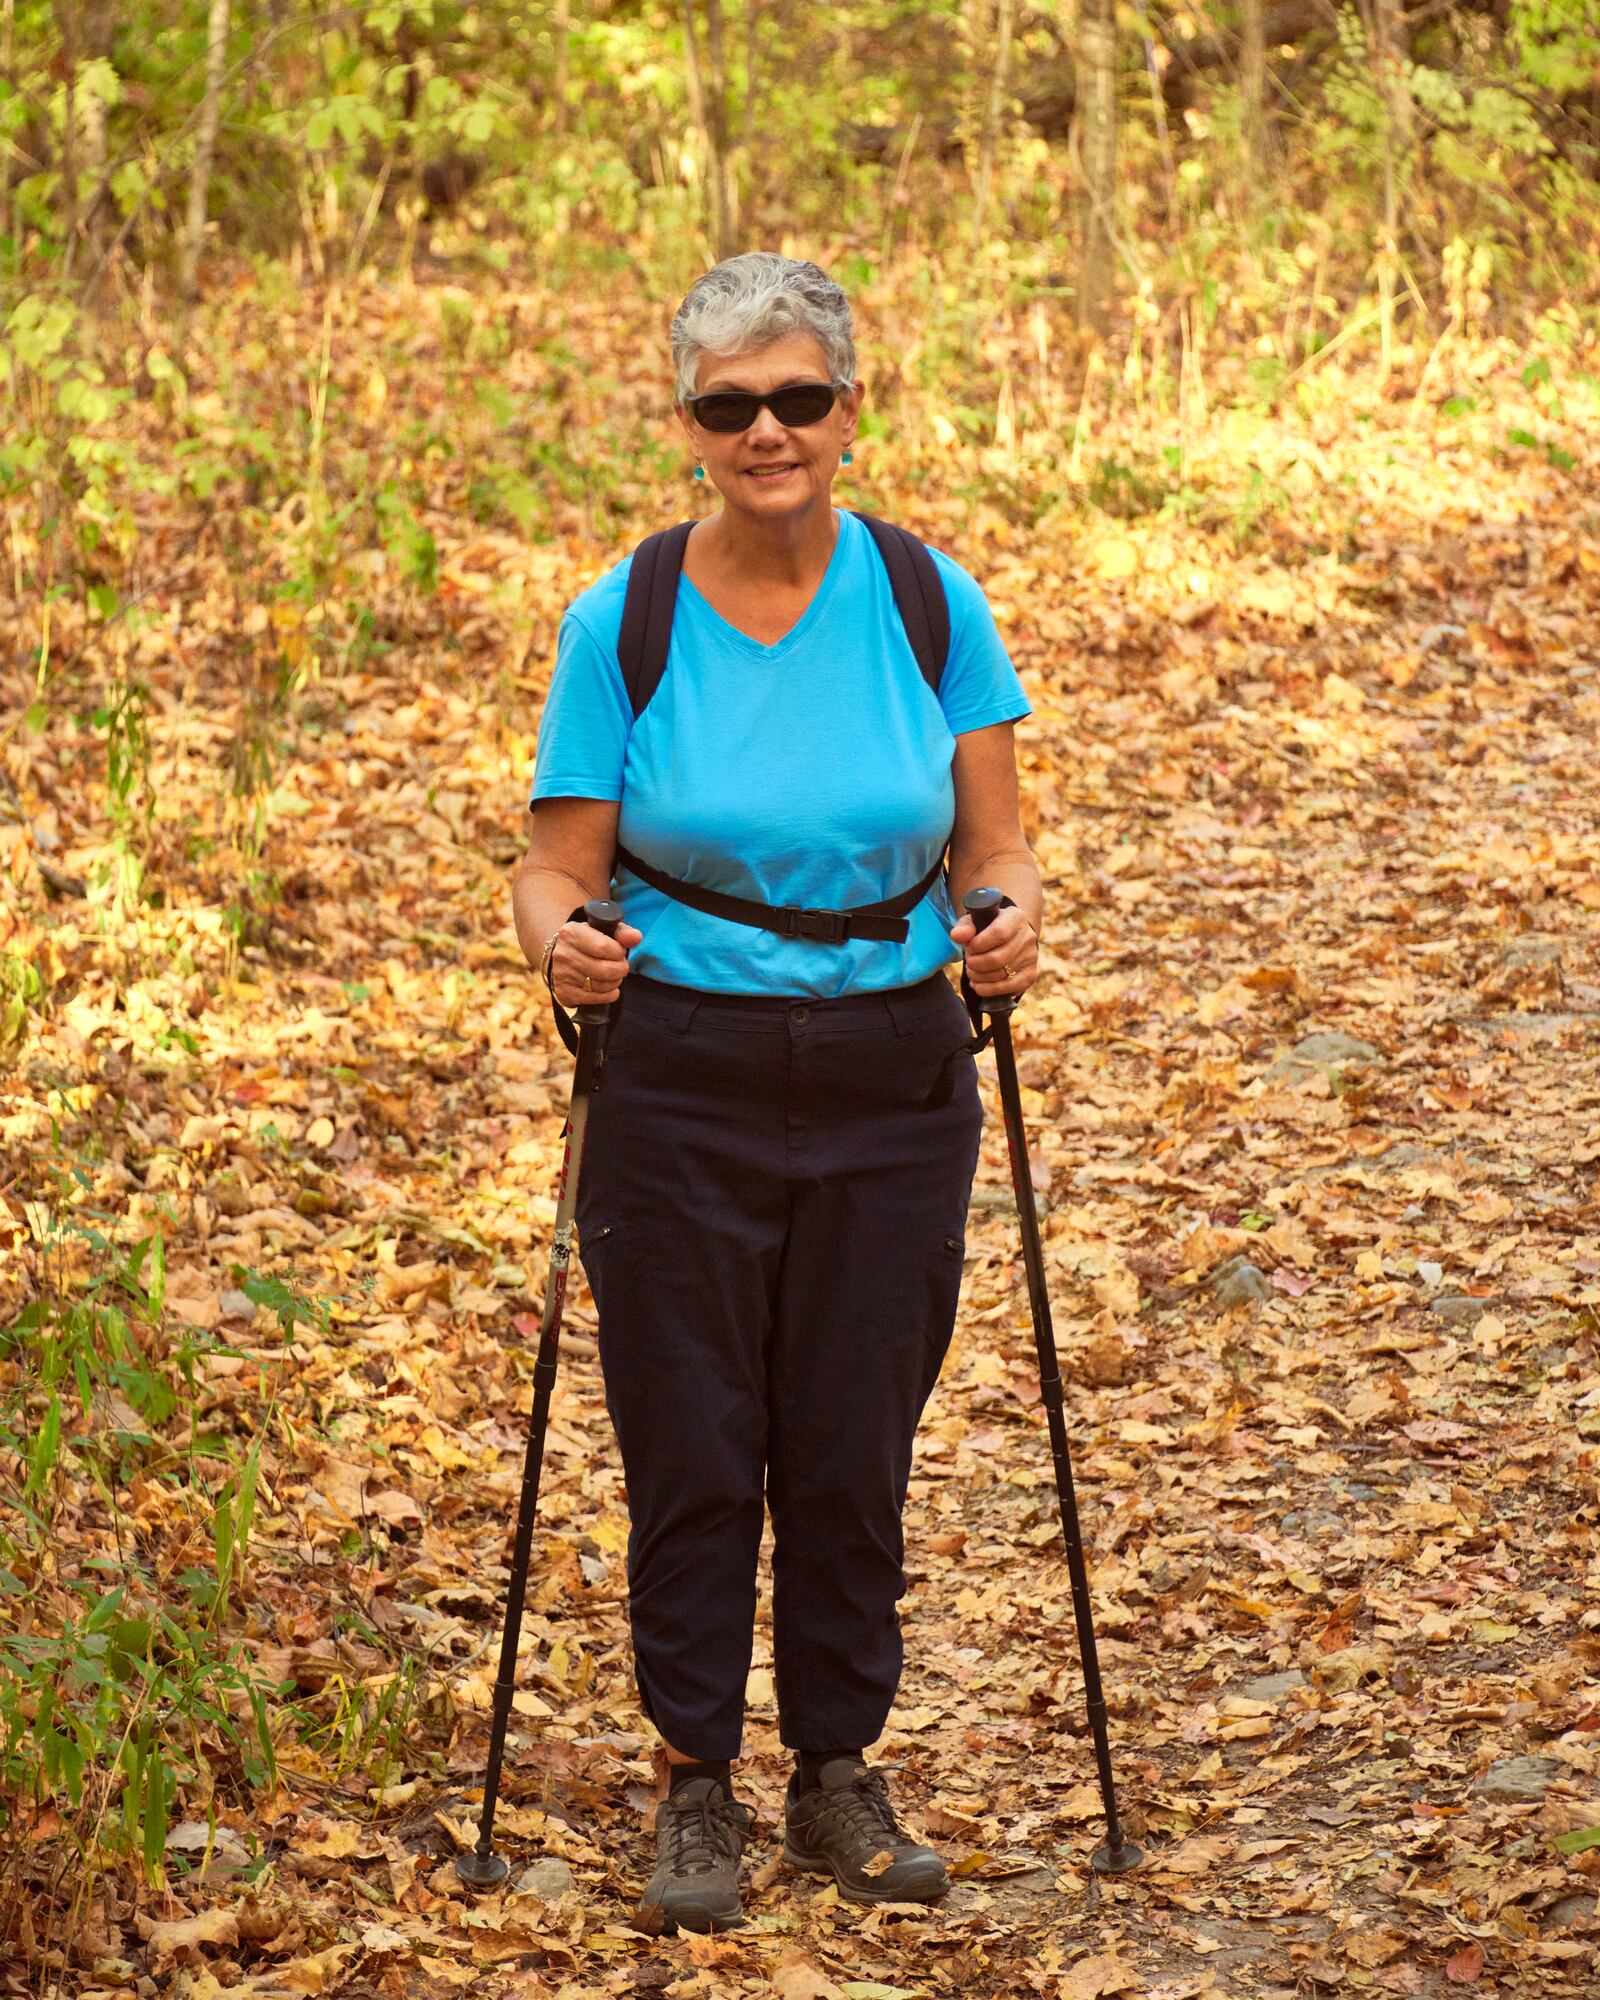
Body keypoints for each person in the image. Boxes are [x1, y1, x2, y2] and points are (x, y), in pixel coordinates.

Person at [511, 252, 1042, 1935]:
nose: (768, 430)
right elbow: (549, 871)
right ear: (688, 425)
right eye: (730, 404)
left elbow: (998, 847)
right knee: (691, 1433)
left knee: (848, 1435)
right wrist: (565, 951)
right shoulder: (627, 616)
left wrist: (1008, 921)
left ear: (847, 410)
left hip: (895, 1068)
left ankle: (836, 1773)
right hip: (682, 1075)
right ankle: (694, 1783)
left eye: (798, 398)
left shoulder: (930, 601)